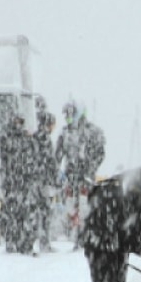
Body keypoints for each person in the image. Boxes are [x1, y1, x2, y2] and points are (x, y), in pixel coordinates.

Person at [54, 100, 105, 247]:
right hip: (70, 176)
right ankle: (76, 235)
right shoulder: (64, 132)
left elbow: (100, 153)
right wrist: (58, 171)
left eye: (71, 113)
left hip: (86, 176)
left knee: (85, 206)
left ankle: (86, 236)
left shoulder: (92, 131)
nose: (68, 117)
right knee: (71, 207)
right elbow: (57, 154)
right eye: (66, 114)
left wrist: (91, 169)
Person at [0, 114, 38, 254]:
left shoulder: (27, 139)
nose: (18, 125)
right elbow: (1, 149)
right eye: (15, 122)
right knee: (10, 213)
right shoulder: (6, 138)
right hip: (11, 182)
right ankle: (11, 241)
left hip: (23, 182)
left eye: (20, 122)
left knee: (25, 213)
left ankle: (25, 243)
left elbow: (33, 157)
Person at [33, 109, 59, 252]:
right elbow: (50, 161)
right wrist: (54, 177)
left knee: (38, 212)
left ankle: (39, 240)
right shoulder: (45, 139)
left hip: (35, 180)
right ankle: (44, 242)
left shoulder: (35, 137)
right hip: (44, 181)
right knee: (45, 212)